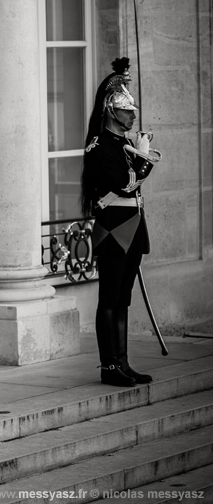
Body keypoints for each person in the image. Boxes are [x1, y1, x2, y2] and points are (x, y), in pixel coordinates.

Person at [80, 57, 159, 387]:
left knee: (123, 298)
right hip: (114, 230)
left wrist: (138, 152)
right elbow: (125, 184)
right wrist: (143, 160)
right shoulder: (99, 147)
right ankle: (108, 366)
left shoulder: (123, 145)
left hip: (131, 227)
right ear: (111, 111)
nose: (132, 115)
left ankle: (122, 362)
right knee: (110, 297)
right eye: (127, 111)